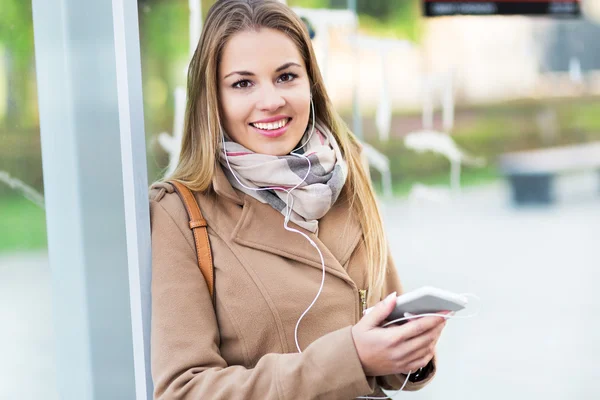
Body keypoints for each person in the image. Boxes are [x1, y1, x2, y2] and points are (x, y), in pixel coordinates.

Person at [149, 1, 449, 398]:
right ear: (212, 99)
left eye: (286, 76)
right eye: (243, 83)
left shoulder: (346, 172)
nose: (271, 100)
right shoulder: (179, 212)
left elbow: (381, 329)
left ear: (310, 83)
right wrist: (352, 358)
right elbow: (183, 391)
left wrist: (409, 349)